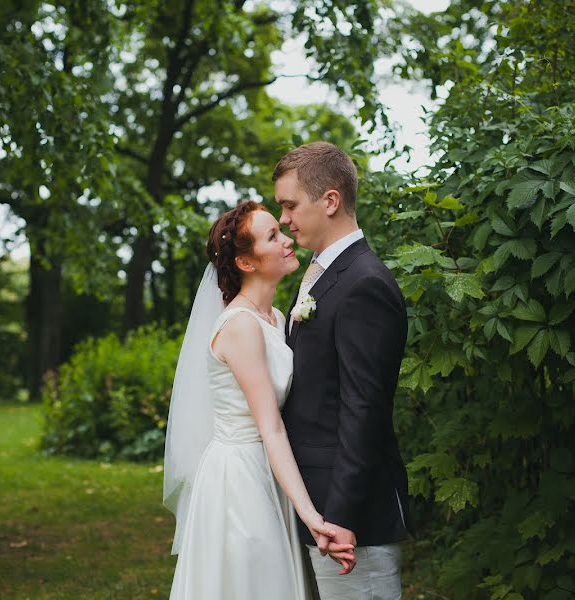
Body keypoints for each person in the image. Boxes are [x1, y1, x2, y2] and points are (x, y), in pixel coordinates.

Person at [164, 200, 356, 600]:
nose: (287, 241)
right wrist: (312, 516)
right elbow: (269, 426)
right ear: (246, 263)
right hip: (240, 479)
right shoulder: (240, 327)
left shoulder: (275, 317)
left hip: (269, 468)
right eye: (273, 236)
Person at [274, 142, 412, 600]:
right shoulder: (320, 275)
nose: (284, 220)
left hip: (349, 519)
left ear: (329, 201)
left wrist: (340, 516)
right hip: (316, 508)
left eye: (290, 205)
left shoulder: (363, 283)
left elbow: (363, 410)